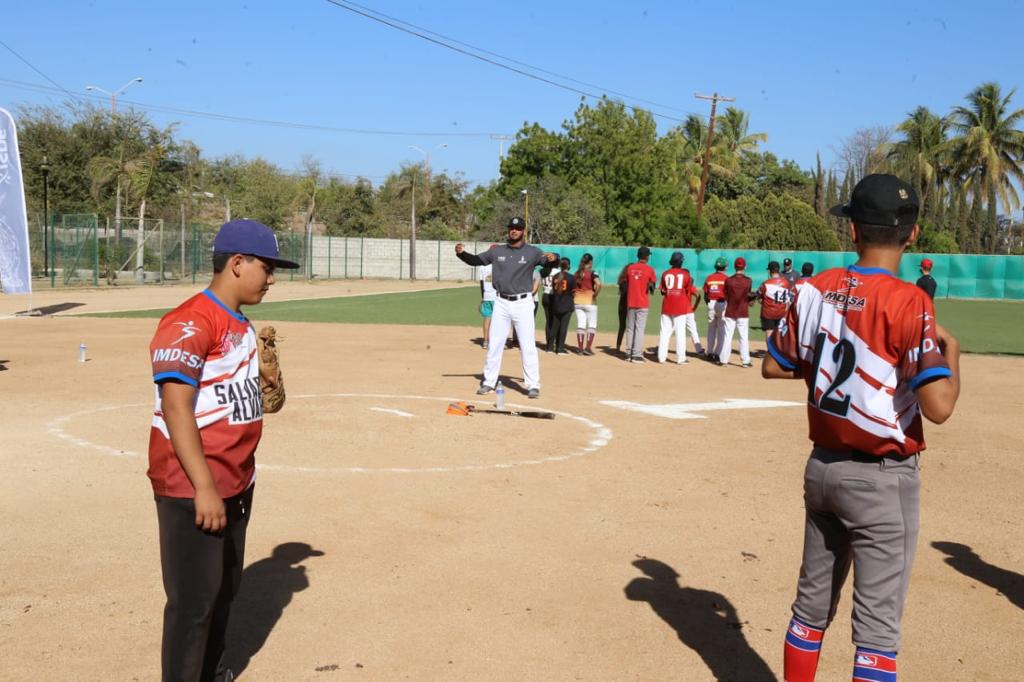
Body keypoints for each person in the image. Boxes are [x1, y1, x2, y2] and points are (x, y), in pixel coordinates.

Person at [763, 174, 961, 682]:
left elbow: (774, 365)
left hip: (823, 469)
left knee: (809, 612)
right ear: (912, 234)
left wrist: (825, 363)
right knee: (875, 634)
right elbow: (938, 406)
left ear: (852, 230)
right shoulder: (910, 300)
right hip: (880, 479)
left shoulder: (814, 289)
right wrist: (952, 353)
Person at [148, 219, 300, 682]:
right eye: (267, 267)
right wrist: (205, 489)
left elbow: (232, 400)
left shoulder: (241, 323)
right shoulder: (189, 321)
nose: (271, 278)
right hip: (193, 485)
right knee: (193, 603)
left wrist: (264, 389)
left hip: (236, 480)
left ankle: (211, 672)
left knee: (224, 591)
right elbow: (176, 408)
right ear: (237, 263)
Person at [455, 217, 556, 399]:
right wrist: (461, 254)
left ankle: (533, 385)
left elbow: (547, 263)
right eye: (511, 227)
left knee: (527, 345)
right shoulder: (497, 251)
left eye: (518, 228)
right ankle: (488, 382)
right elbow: (476, 260)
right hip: (501, 302)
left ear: (523, 231)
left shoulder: (532, 252)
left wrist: (553, 259)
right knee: (495, 344)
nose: (514, 230)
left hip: (523, 302)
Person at [657, 252, 703, 364]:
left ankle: (661, 357)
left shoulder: (665, 273)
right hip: (680, 307)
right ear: (681, 262)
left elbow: (662, 291)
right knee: (680, 333)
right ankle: (681, 358)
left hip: (667, 306)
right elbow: (688, 289)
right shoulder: (686, 274)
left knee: (664, 332)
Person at [619, 246, 657, 362]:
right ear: (646, 257)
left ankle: (629, 352)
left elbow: (625, 283)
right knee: (639, 328)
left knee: (630, 328)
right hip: (642, 303)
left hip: (631, 302)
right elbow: (653, 286)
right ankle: (636, 354)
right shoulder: (649, 269)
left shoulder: (630, 268)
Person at [717, 257, 755, 367]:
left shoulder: (728, 280)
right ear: (745, 267)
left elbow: (726, 296)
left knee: (728, 336)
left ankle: (723, 360)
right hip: (743, 311)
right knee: (743, 336)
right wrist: (751, 300)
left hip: (730, 311)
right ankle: (745, 361)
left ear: (734, 267)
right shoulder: (748, 280)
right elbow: (748, 296)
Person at [572, 252, 601, 355]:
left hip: (578, 301)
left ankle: (580, 349)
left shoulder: (576, 273)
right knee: (592, 324)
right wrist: (595, 295)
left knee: (581, 324)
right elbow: (598, 284)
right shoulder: (593, 272)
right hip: (590, 301)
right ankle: (587, 348)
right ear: (591, 262)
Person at [757, 260, 793, 341]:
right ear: (778, 270)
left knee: (769, 332)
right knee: (780, 335)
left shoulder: (765, 284)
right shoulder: (786, 283)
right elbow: (789, 299)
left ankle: (770, 351)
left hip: (768, 313)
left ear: (769, 271)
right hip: (782, 312)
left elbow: (758, 297)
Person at [703, 257, 729, 360]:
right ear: (725, 267)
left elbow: (705, 294)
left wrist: (709, 304)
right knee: (722, 330)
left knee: (711, 329)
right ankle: (718, 353)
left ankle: (709, 352)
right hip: (722, 304)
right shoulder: (726, 279)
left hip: (711, 303)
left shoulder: (709, 278)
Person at [550, 257, 576, 354]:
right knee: (563, 327)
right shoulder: (571, 277)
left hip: (556, 303)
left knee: (554, 326)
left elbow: (554, 289)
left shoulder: (555, 276)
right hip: (567, 304)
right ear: (568, 266)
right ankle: (560, 348)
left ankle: (549, 347)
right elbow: (574, 292)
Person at [478, 258, 497, 350]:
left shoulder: (482, 266)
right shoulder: (499, 264)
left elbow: (481, 283)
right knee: (498, 320)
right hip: (497, 296)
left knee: (487, 318)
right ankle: (495, 342)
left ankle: (485, 341)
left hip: (487, 295)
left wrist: (483, 297)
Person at [541, 257, 558, 351]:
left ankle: (548, 343)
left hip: (545, 296)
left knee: (548, 321)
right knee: (555, 321)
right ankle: (552, 343)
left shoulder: (543, 271)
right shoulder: (557, 271)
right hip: (553, 296)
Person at [615, 264, 629, 352]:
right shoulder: (624, 281)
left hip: (623, 304)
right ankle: (618, 347)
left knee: (623, 326)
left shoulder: (622, 280)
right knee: (623, 326)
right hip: (626, 305)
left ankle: (619, 347)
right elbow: (625, 291)